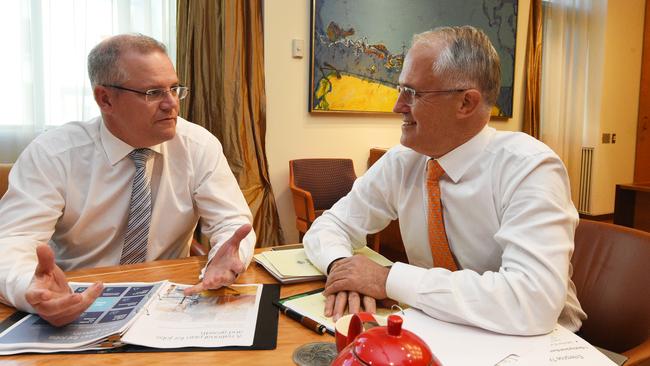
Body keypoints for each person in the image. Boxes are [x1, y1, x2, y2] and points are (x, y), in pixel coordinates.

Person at [304, 26, 586, 336]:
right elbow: (331, 224)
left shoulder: (529, 168)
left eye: (414, 93)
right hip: (439, 329)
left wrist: (387, 279)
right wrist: (342, 267)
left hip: (535, 345)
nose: (398, 106)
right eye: (400, 89)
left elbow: (531, 303)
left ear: (466, 103)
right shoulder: (404, 161)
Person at [0, 34, 255, 326]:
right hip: (78, 303)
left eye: (174, 88)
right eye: (153, 93)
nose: (171, 103)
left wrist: (225, 260)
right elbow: (12, 242)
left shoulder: (198, 146)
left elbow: (233, 225)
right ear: (105, 99)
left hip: (171, 303)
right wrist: (33, 291)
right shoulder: (54, 154)